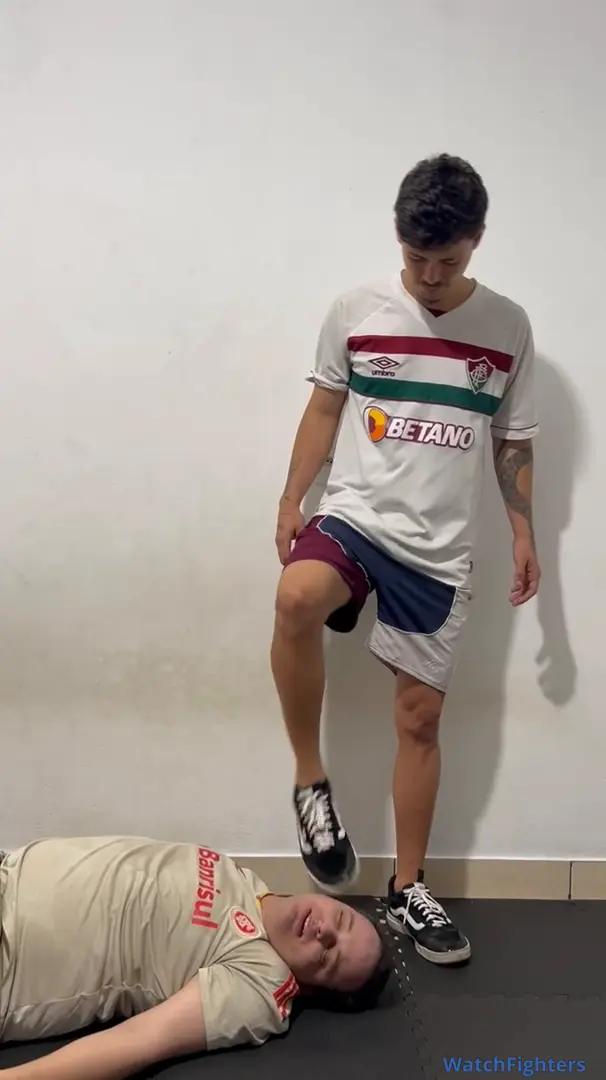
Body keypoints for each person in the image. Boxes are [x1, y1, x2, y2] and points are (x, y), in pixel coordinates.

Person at [271, 153, 540, 966]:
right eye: (416, 257)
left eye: (447, 261)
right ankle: (310, 782)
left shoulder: (507, 327)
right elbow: (325, 406)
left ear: (476, 242)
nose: (429, 276)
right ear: (398, 236)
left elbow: (512, 439)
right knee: (296, 598)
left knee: (420, 720)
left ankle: (408, 888)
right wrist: (292, 497)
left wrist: (523, 532)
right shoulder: (356, 310)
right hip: (357, 517)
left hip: (438, 551)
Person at [0, 835, 389, 1078]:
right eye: (341, 919)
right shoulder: (246, 880)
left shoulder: (260, 981)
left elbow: (142, 1040)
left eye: (327, 958)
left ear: (312, 988)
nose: (325, 932)